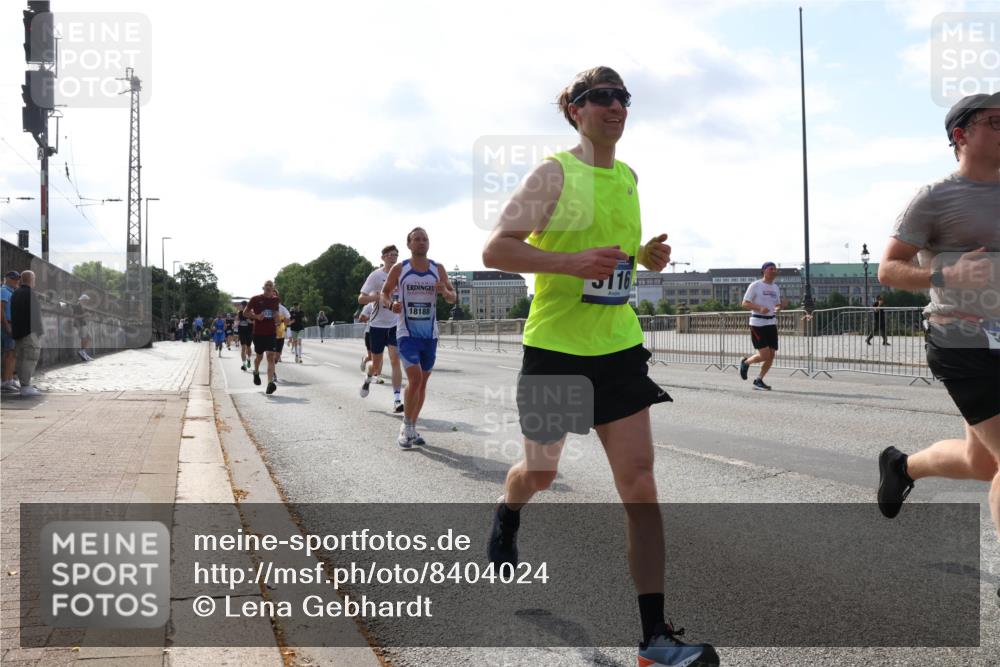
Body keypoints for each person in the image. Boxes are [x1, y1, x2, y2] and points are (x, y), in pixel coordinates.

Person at [480, 67, 719, 667]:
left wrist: (644, 256)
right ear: (575, 110)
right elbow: (497, 248)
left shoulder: (630, 177)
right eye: (602, 98)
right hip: (557, 352)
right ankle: (509, 511)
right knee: (540, 473)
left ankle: (654, 638)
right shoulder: (554, 174)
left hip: (617, 349)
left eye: (623, 98)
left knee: (640, 483)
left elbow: (615, 255)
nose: (616, 106)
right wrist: (571, 262)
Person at [876, 93, 1000, 604]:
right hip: (961, 340)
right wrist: (945, 274)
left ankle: (902, 467)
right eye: (996, 121)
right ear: (961, 135)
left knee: (982, 462)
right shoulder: (935, 197)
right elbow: (889, 269)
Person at [381, 227, 455, 448]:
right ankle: (406, 426)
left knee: (422, 383)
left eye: (425, 239)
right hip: (407, 333)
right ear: (409, 244)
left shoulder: (437, 268)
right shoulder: (400, 268)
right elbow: (384, 293)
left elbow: (453, 297)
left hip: (429, 335)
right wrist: (391, 304)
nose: (422, 242)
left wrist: (445, 292)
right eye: (417, 239)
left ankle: (412, 426)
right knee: (415, 379)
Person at [359, 245, 405, 412]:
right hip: (377, 325)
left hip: (394, 325)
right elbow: (361, 299)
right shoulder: (376, 276)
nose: (393, 257)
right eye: (390, 255)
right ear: (383, 258)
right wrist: (377, 297)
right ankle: (368, 378)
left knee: (395, 360)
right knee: (377, 366)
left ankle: (397, 400)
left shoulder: (401, 274)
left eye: (396, 255)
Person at [738, 262, 788, 391]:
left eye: (775, 269)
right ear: (764, 271)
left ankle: (759, 380)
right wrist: (759, 308)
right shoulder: (756, 285)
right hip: (758, 323)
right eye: (771, 269)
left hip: (771, 323)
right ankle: (746, 363)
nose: (774, 271)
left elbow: (776, 306)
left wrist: (781, 306)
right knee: (764, 355)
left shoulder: (775, 287)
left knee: (771, 355)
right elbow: (744, 303)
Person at [10, 270, 43, 397]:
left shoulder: (15, 293)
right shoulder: (31, 293)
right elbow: (35, 315)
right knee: (30, 358)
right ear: (31, 280)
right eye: (34, 279)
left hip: (18, 332)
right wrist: (39, 331)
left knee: (21, 359)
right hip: (29, 332)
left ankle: (24, 384)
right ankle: (25, 386)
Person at [246, 280, 280, 395]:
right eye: (267, 285)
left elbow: (276, 314)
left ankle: (270, 383)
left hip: (271, 333)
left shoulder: (276, 300)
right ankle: (256, 371)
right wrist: (256, 316)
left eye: (271, 285)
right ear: (263, 287)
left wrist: (277, 318)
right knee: (259, 357)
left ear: (273, 288)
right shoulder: (255, 299)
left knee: (271, 357)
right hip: (258, 333)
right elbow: (245, 313)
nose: (269, 287)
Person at [1, 271, 20, 393]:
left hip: (12, 324)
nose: (16, 281)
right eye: (13, 278)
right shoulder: (4, 290)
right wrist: (7, 326)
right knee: (9, 353)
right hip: (7, 324)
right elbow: (1, 309)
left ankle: (9, 379)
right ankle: (5, 381)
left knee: (12, 353)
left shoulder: (12, 291)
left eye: (17, 279)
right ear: (7, 279)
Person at [74, 294, 94, 361]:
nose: (87, 302)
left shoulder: (83, 307)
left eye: (87, 300)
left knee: (89, 337)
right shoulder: (77, 306)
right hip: (79, 324)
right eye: (86, 300)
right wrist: (85, 314)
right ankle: (82, 352)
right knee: (84, 337)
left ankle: (83, 352)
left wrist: (87, 316)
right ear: (82, 300)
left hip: (83, 323)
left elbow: (82, 316)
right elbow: (75, 316)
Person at [237, 301, 253, 371]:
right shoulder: (240, 313)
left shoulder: (251, 313)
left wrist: (251, 321)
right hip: (242, 332)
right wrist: (237, 323)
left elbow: (254, 322)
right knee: (243, 347)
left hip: (249, 332)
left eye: (244, 306)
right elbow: (238, 320)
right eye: (242, 306)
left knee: (248, 347)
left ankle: (248, 359)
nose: (243, 307)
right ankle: (244, 364)